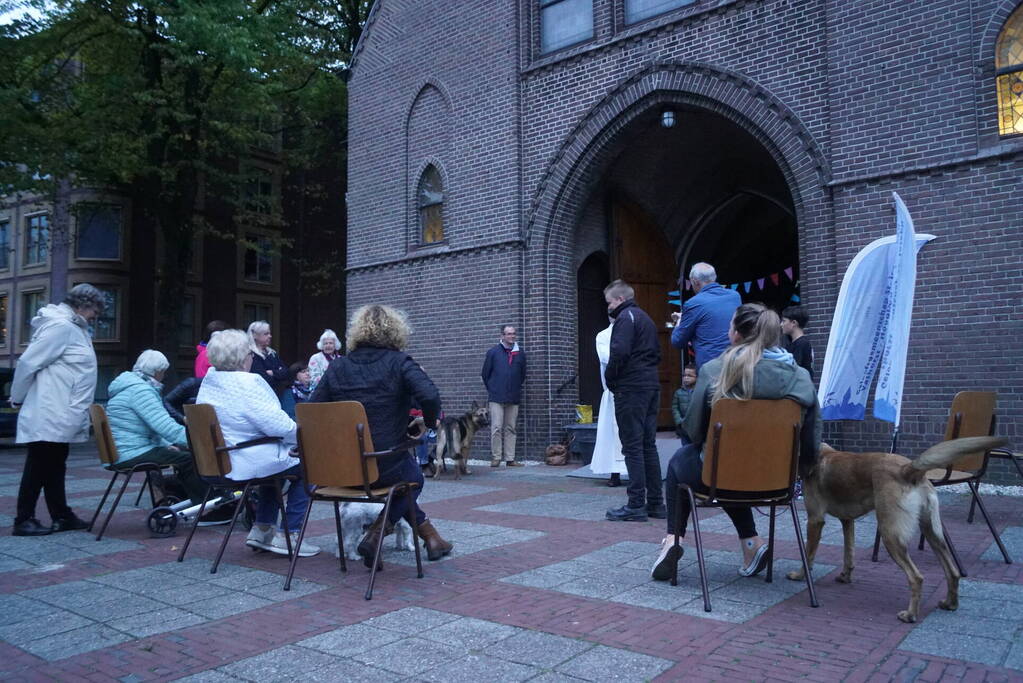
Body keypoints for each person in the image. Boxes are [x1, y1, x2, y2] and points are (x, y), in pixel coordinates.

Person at [650, 303, 821, 582]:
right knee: (729, 463)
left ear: (737, 335)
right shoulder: (800, 377)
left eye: (730, 325)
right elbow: (812, 438)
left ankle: (672, 541)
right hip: (779, 481)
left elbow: (692, 432)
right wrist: (804, 469)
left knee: (684, 463)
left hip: (722, 476)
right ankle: (751, 544)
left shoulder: (715, 370)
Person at [310, 304, 453, 563]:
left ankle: (433, 540)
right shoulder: (399, 362)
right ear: (396, 330)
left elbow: (311, 410)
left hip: (340, 471)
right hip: (384, 466)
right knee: (414, 480)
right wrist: (428, 423)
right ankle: (377, 532)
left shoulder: (338, 367)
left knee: (404, 483)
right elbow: (430, 395)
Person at [197, 329, 319, 557]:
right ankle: (289, 535)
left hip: (218, 460)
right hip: (242, 460)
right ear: (243, 357)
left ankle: (262, 529)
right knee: (308, 463)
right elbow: (278, 426)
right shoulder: (249, 382)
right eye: (250, 353)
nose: (252, 357)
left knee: (278, 464)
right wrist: (305, 437)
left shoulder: (209, 381)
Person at [10, 284, 106, 536]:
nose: (97, 315)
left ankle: (61, 515)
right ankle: (24, 519)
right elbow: (28, 363)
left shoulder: (73, 328)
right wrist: (17, 398)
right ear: (84, 305)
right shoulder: (62, 327)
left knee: (53, 464)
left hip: (59, 409)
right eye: (96, 309)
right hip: (51, 409)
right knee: (40, 464)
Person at [105, 350, 209, 506]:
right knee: (189, 460)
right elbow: (165, 426)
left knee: (182, 455)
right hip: (133, 451)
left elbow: (151, 426)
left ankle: (186, 497)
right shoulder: (141, 391)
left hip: (123, 449)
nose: (164, 376)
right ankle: (205, 505)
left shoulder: (129, 386)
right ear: (157, 371)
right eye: (163, 372)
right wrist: (199, 442)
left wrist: (167, 445)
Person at [602, 280, 664, 522]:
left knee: (632, 446)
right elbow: (657, 353)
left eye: (608, 302)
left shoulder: (625, 319)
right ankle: (656, 504)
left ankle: (636, 504)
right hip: (650, 385)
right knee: (648, 445)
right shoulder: (645, 318)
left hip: (631, 388)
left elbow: (619, 353)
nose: (607, 307)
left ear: (618, 299)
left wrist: (611, 379)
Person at [671, 263, 742, 371]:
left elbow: (678, 341)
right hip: (736, 363)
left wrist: (679, 321)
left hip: (711, 368)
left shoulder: (694, 303)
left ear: (695, 281)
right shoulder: (735, 296)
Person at [481, 325, 527, 467]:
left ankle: (510, 458)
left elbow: (522, 374)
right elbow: (485, 374)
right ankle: (496, 457)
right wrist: (494, 388)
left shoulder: (520, 353)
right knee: (496, 428)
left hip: (513, 397)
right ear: (502, 336)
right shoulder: (493, 352)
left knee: (510, 428)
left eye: (513, 334)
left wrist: (515, 387)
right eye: (508, 334)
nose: (511, 336)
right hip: (496, 397)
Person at [589, 318, 626, 487]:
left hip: (633, 389)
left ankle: (637, 472)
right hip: (613, 391)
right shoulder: (603, 335)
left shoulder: (632, 332)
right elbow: (606, 357)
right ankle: (615, 472)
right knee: (612, 435)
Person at [247, 320, 288, 392]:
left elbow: (286, 373)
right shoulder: (251, 355)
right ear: (255, 335)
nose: (270, 336)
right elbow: (263, 379)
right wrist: (279, 373)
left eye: (269, 333)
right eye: (266, 334)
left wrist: (273, 373)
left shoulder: (272, 353)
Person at [781, 305, 814, 382]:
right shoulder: (794, 343)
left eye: (784, 321)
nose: (781, 324)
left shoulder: (802, 343)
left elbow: (793, 369)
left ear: (794, 323)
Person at [671, 364, 698, 442]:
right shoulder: (678, 393)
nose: (686, 378)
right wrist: (679, 420)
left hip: (695, 426)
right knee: (685, 446)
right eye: (684, 375)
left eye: (689, 376)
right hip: (683, 426)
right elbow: (675, 407)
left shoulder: (698, 392)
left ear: (696, 377)